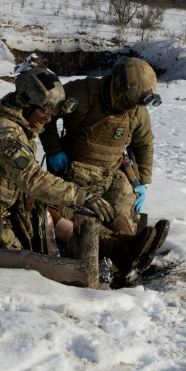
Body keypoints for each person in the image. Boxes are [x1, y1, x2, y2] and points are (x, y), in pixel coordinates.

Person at [0, 67, 158, 281]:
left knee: (51, 214)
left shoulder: (3, 113)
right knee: (31, 269)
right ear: (26, 103)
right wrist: (83, 196)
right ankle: (117, 248)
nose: (48, 119)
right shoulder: (5, 132)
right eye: (45, 111)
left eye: (52, 113)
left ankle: (118, 246)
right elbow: (33, 179)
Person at [38, 57, 169, 269]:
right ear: (117, 86)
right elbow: (45, 113)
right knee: (80, 216)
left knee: (121, 207)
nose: (130, 107)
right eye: (128, 100)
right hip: (73, 171)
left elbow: (144, 143)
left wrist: (142, 181)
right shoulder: (81, 91)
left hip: (112, 172)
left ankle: (131, 244)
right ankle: (119, 246)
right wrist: (54, 150)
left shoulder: (137, 110)